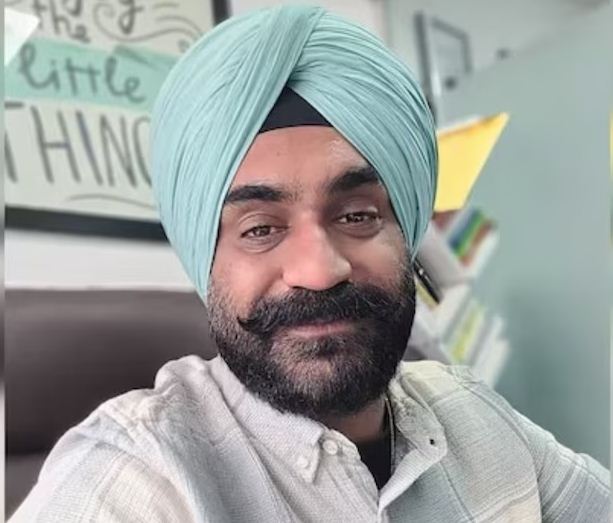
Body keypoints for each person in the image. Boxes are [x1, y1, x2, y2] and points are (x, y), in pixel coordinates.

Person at [11, 5, 610, 522]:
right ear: (205, 260)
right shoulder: (138, 480)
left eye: (358, 216)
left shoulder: (474, 414)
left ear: (408, 233)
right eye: (260, 229)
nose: (319, 271)